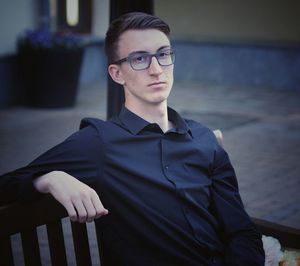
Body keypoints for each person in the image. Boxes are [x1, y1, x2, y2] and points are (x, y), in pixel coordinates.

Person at [0, 12, 264, 265]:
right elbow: (7, 185)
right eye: (139, 59)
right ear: (117, 74)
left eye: (163, 55)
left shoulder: (203, 139)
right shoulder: (99, 144)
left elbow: (242, 232)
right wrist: (47, 178)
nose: (156, 69)